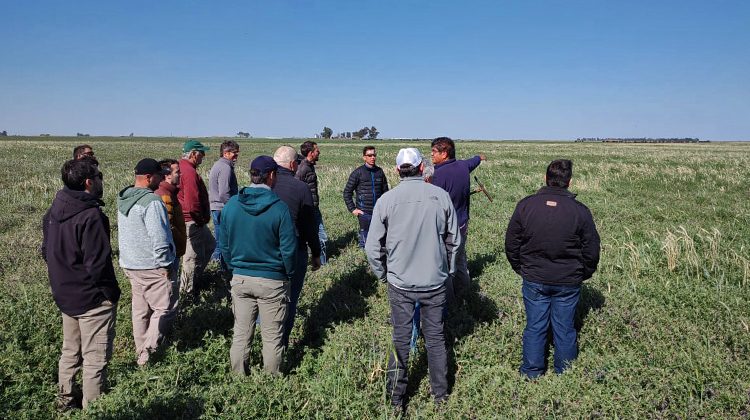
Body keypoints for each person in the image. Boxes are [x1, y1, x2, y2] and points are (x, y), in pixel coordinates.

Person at [365, 148, 460, 411]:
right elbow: (454, 240)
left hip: (400, 284)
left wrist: (384, 275)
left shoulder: (386, 200)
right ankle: (441, 398)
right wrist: (448, 271)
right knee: (436, 340)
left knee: (401, 340)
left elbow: (372, 249)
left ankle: (396, 401)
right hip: (435, 282)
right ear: (421, 168)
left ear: (397, 171)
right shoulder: (440, 196)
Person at [504, 159, 600, 379]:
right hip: (568, 280)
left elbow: (511, 243)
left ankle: (531, 372)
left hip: (535, 277)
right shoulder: (580, 211)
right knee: (565, 328)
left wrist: (521, 268)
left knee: (535, 326)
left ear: (545, 178)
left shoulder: (526, 205)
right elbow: (592, 249)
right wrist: (583, 273)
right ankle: (565, 374)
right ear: (570, 182)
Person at [42, 158, 120, 410]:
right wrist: (110, 293)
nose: (101, 180)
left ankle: (64, 401)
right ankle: (93, 410)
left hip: (65, 294)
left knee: (70, 351)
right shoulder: (91, 216)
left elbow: (46, 251)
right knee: (95, 360)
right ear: (89, 182)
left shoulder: (54, 209)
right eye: (99, 176)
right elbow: (98, 264)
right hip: (91, 300)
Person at [220, 156, 297, 375]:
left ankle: (238, 379)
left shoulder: (232, 205)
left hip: (241, 278)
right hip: (272, 280)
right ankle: (270, 383)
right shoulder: (279, 208)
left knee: (241, 333)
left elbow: (224, 245)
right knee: (272, 337)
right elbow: (289, 249)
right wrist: (287, 273)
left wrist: (233, 269)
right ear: (271, 175)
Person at [118, 158, 177, 367]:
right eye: (159, 176)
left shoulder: (124, 198)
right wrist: (166, 265)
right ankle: (147, 355)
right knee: (164, 308)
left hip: (130, 264)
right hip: (151, 265)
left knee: (140, 310)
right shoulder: (151, 202)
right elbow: (159, 238)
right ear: (149, 177)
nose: (162, 180)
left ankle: (140, 351)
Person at [272, 146, 321, 348]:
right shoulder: (299, 188)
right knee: (290, 300)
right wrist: (316, 253)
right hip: (295, 250)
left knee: (268, 298)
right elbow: (309, 225)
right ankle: (281, 343)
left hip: (267, 251)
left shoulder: (264, 184)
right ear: (293, 164)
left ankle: (265, 337)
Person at [430, 137, 486, 304]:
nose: (431, 155)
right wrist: (480, 157)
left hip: (446, 229)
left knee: (445, 265)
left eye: (434, 152)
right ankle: (465, 291)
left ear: (444, 153)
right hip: (462, 224)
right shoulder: (463, 166)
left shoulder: (437, 175)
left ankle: (450, 302)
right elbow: (473, 162)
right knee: (460, 259)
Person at [178, 139, 215, 297]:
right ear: (193, 154)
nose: (203, 156)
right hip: (191, 221)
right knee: (191, 258)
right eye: (201, 153)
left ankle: (195, 279)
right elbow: (192, 202)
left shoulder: (182, 167)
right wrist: (199, 220)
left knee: (210, 245)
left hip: (191, 220)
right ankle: (187, 292)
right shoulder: (189, 172)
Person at [343, 146, 389, 248]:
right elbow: (347, 192)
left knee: (381, 241)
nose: (372, 157)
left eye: (374, 155)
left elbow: (385, 192)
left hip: (379, 212)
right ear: (364, 157)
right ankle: (363, 260)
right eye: (369, 155)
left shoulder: (379, 172)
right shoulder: (358, 173)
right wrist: (353, 209)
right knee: (365, 241)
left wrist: (386, 208)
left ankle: (379, 261)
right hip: (364, 213)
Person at [155, 159, 187, 293]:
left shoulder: (169, 193)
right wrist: (179, 239)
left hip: (172, 250)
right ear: (167, 175)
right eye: (177, 172)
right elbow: (167, 227)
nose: (180, 175)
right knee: (169, 290)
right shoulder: (165, 196)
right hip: (170, 252)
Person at [295, 140, 327, 265]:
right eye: (317, 150)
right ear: (310, 153)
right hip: (309, 209)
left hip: (312, 208)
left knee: (312, 237)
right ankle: (322, 264)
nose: (319, 152)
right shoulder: (303, 168)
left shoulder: (309, 165)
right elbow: (297, 187)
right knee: (321, 237)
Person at [208, 140, 239, 264]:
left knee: (219, 240)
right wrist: (233, 206)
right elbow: (224, 193)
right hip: (222, 208)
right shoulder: (225, 167)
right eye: (234, 154)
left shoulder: (218, 164)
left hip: (217, 207)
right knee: (222, 242)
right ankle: (219, 266)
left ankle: (217, 265)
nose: (236, 157)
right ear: (226, 153)